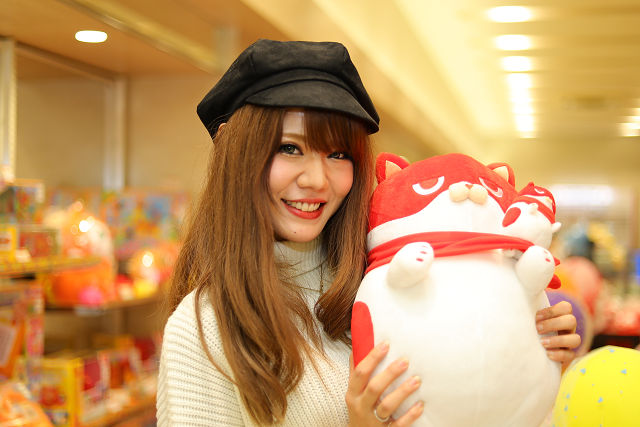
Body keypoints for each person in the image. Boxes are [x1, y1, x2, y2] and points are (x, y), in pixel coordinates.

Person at [157, 39, 580, 426]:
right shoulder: (203, 327)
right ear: (236, 152)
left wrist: (526, 344)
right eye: (290, 148)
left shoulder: (384, 275)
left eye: (338, 154)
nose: (316, 180)